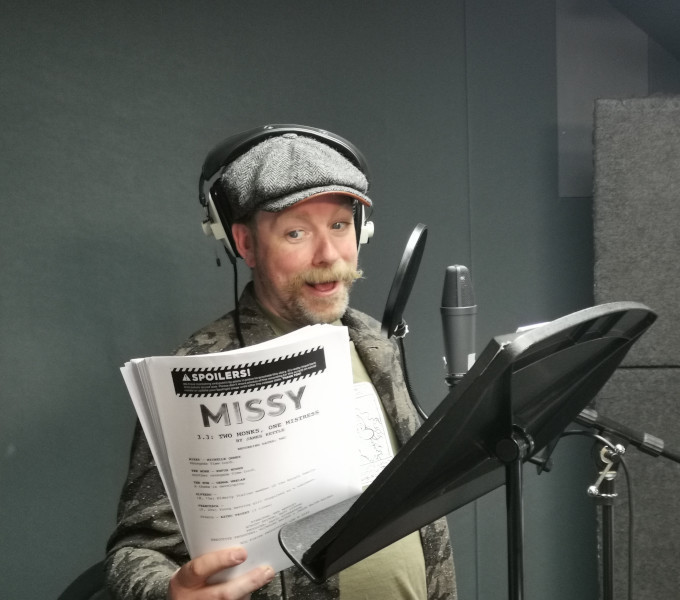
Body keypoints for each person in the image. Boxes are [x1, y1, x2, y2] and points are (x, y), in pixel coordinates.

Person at [105, 126, 458, 600]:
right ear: (245, 245)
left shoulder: (376, 341)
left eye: (340, 226)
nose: (328, 255)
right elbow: (135, 550)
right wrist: (164, 592)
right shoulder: (199, 366)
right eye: (296, 232)